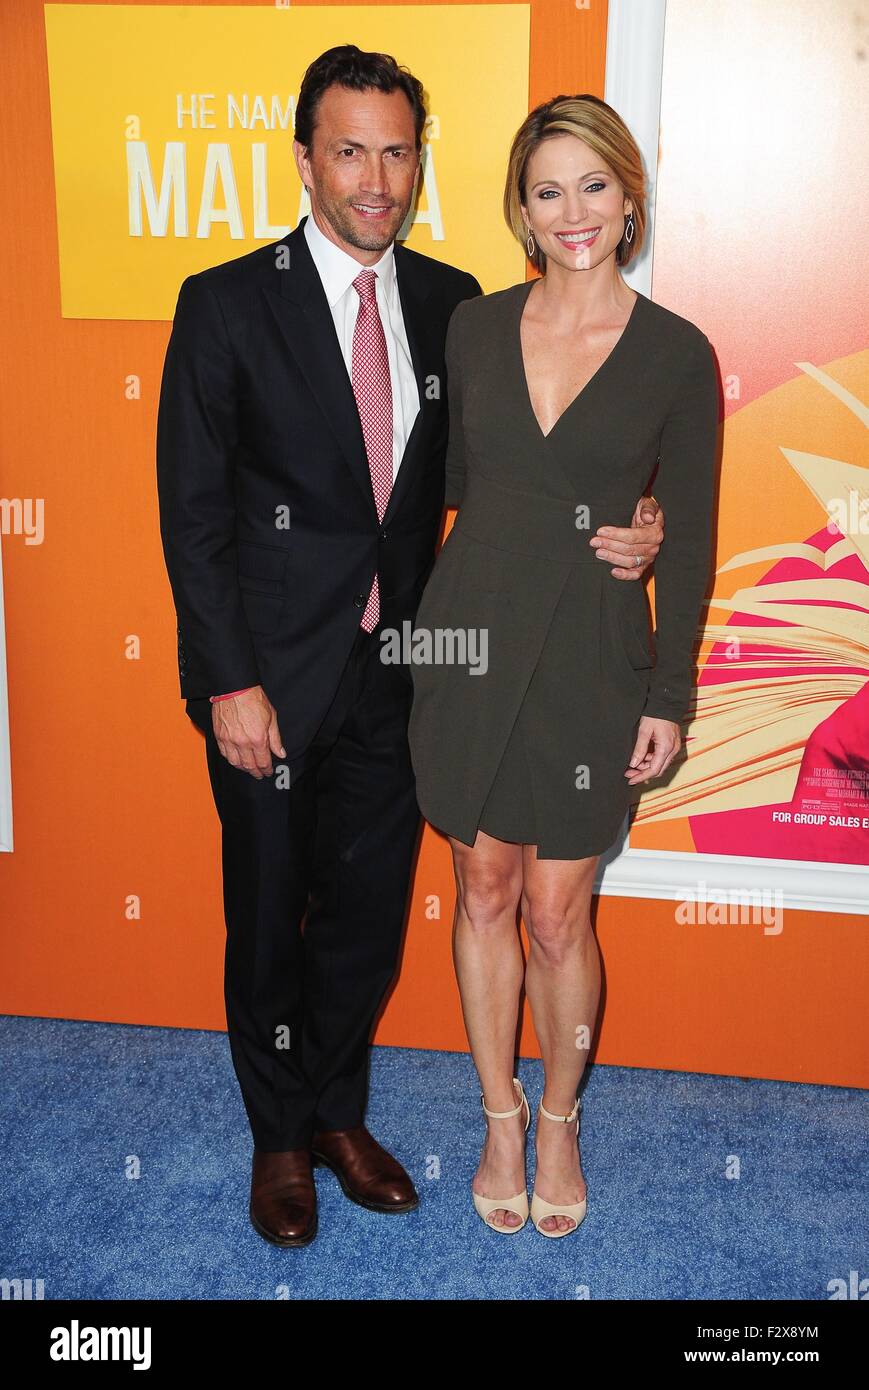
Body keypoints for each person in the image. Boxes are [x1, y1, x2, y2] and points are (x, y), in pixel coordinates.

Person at [156, 49, 665, 1248]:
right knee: (271, 908)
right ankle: (278, 1135)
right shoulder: (226, 302)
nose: (375, 178)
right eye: (349, 150)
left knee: (367, 916)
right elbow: (193, 513)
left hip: (416, 672)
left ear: (418, 163)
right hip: (268, 681)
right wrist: (229, 677)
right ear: (303, 161)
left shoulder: (454, 306)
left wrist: (637, 525)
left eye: (396, 151)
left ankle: (338, 1112)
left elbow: (522, 478)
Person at [408, 94, 720, 1238]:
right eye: (547, 189)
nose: (571, 210)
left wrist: (669, 695)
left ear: (627, 196)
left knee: (555, 913)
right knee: (479, 890)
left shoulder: (678, 354)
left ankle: (559, 1120)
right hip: (473, 640)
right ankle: (496, 1116)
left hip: (591, 657)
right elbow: (444, 490)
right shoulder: (472, 329)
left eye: (592, 184)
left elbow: (682, 540)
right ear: (521, 209)